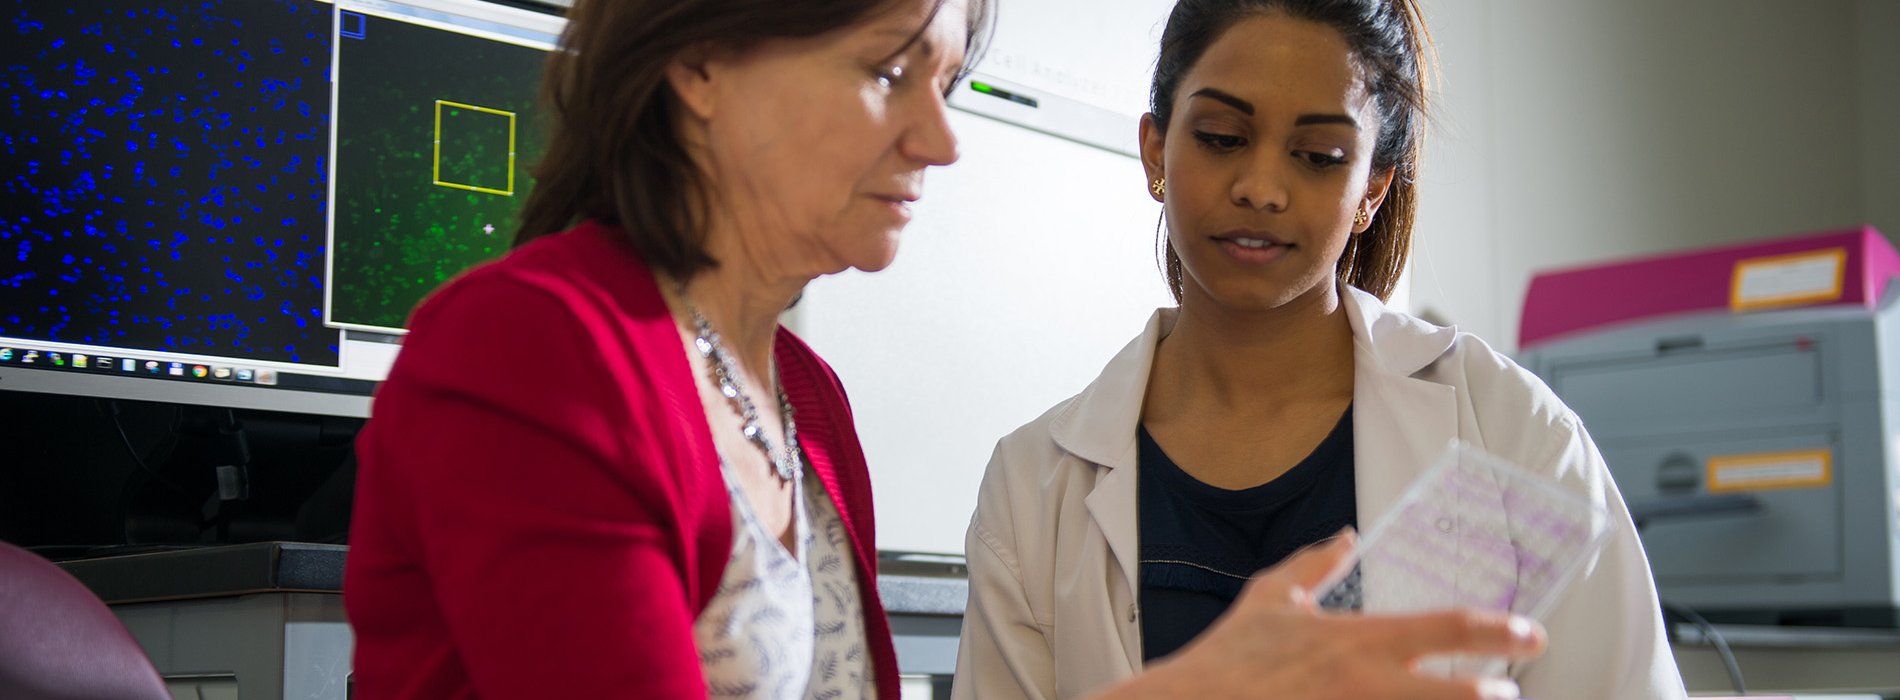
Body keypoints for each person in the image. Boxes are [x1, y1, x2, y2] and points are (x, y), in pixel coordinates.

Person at [343, 0, 1549, 697]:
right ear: (699, 59)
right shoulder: (531, 347)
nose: (939, 137)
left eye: (949, 81)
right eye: (886, 72)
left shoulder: (802, 399)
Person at [952, 1, 1688, 699]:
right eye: (1221, 138)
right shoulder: (1033, 487)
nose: (1262, 187)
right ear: (1155, 150)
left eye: (1318, 154)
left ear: (1372, 190)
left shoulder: (1512, 435)